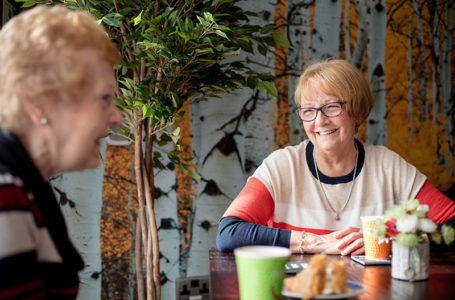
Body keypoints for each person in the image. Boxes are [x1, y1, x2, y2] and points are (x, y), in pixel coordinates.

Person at [216, 58, 455, 255]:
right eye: (309, 111)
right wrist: (315, 242)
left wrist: (391, 240)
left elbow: (452, 225)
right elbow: (229, 232)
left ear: (356, 110)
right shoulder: (282, 166)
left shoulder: (388, 166)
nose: (320, 121)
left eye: (332, 107)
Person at [0, 5, 122, 299]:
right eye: (105, 98)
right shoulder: (5, 194)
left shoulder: (23, 183)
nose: (117, 116)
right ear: (40, 104)